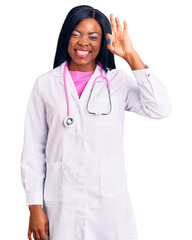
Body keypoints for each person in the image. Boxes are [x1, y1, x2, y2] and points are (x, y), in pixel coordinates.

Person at [20, 4, 172, 240]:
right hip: (62, 204)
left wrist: (131, 55)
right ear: (66, 37)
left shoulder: (117, 82)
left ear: (103, 42)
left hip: (108, 208)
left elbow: (160, 108)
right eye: (76, 34)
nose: (84, 43)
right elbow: (33, 150)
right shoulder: (46, 84)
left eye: (93, 36)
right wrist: (34, 206)